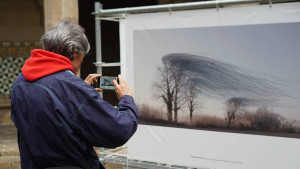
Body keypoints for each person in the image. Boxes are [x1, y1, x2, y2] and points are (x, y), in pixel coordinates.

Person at [10, 20, 139, 169]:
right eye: (82, 59)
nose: (79, 67)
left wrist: (81, 93)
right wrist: (126, 98)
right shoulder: (71, 87)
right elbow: (118, 130)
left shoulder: (20, 82)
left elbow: (48, 116)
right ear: (75, 53)